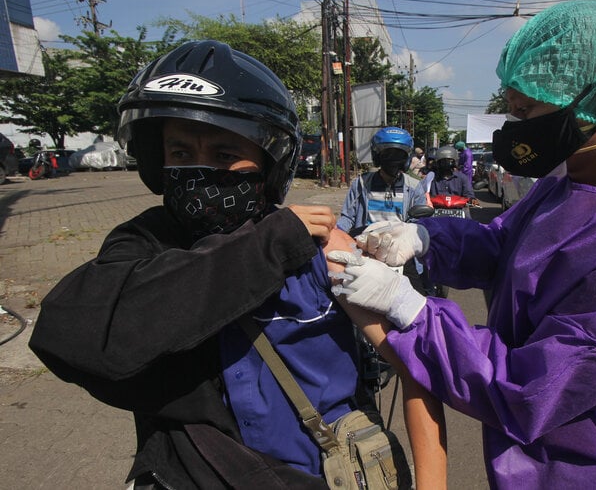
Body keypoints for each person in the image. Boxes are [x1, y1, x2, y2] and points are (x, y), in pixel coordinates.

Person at [327, 0, 596, 489]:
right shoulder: (573, 181)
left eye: (525, 110)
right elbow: (505, 245)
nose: (515, 127)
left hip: (582, 472)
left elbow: (529, 388)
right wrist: (423, 239)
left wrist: (409, 310)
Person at [29, 40, 445, 489]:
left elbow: (415, 367)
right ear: (157, 159)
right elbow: (74, 334)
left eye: (226, 155)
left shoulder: (320, 248)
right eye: (182, 154)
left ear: (268, 163)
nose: (202, 171)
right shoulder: (149, 243)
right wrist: (268, 246)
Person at [337, 126, 432, 294]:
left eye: (399, 155)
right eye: (388, 155)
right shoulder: (361, 184)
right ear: (377, 156)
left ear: (407, 158)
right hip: (366, 249)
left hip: (400, 253)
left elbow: (418, 223)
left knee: (420, 300)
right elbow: (347, 217)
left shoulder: (414, 186)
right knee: (343, 296)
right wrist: (333, 237)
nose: (393, 161)